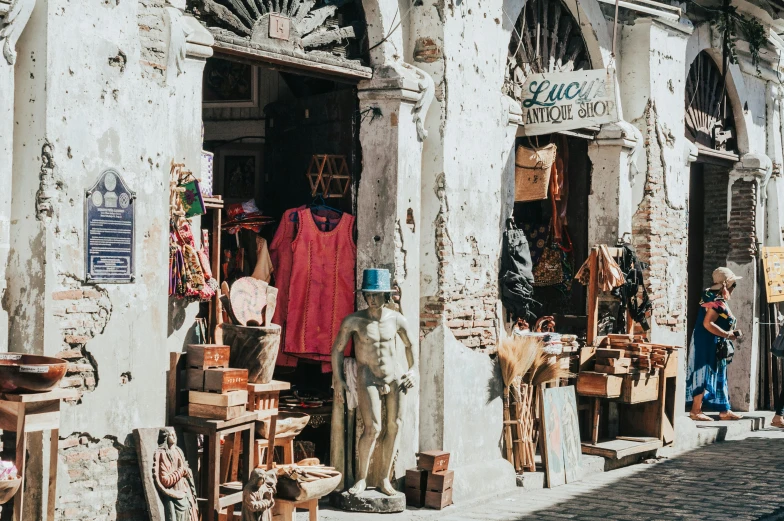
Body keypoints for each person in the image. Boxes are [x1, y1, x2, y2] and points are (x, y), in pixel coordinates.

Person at [332, 268, 418, 497]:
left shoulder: (397, 319)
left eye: (376, 294)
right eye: (368, 294)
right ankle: (361, 478)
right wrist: (339, 379)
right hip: (367, 375)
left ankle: (383, 479)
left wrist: (413, 370)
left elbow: (410, 346)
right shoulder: (354, 320)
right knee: (373, 428)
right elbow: (337, 350)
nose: (371, 298)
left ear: (386, 296)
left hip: (395, 375)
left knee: (395, 425)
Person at [686, 268, 744, 421]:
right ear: (727, 285)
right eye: (734, 285)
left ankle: (724, 410)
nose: (733, 288)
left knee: (719, 373)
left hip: (715, 342)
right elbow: (708, 323)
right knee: (703, 372)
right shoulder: (715, 301)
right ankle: (696, 410)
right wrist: (727, 334)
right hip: (707, 342)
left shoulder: (709, 295)